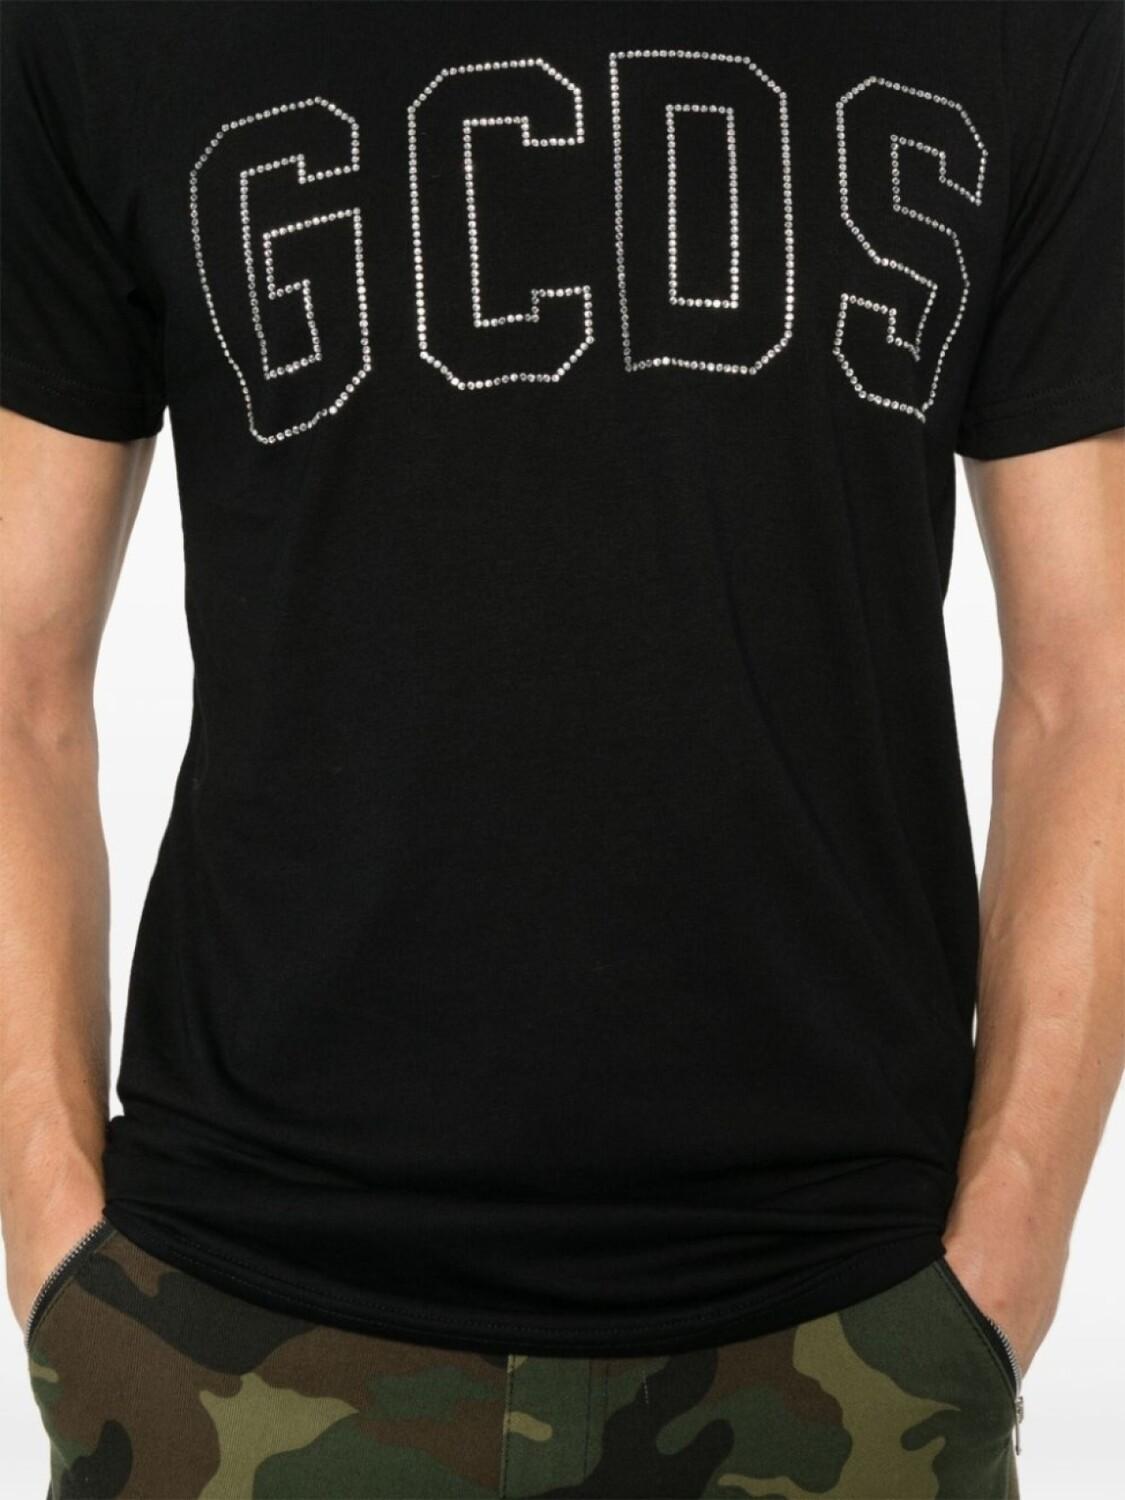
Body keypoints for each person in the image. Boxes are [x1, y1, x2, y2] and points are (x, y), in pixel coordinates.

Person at [1, 3, 1121, 1496]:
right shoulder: (106, 27)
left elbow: (1089, 680)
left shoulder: (1021, 27)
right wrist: (53, 1235)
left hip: (847, 1327)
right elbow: (20, 677)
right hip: (229, 1320)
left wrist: (1009, 1247)